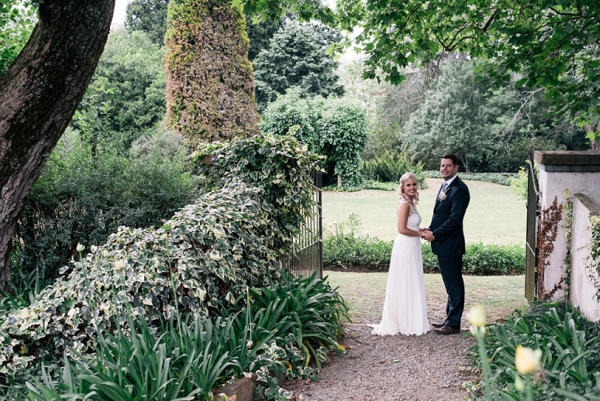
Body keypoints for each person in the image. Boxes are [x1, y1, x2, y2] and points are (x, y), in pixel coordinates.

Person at [371, 172, 429, 336]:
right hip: (405, 246)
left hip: (412, 245)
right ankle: (404, 321)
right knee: (405, 280)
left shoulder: (411, 202)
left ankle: (410, 317)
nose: (412, 187)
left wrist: (420, 229)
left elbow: (410, 225)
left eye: (414, 184)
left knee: (411, 280)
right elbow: (402, 229)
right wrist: (419, 234)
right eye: (408, 185)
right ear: (402, 187)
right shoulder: (404, 204)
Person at [421, 154, 470, 335]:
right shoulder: (446, 185)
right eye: (442, 166)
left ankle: (453, 324)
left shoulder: (460, 189)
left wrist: (435, 234)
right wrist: (430, 228)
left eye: (448, 166)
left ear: (456, 167)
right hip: (444, 243)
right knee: (450, 284)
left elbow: (454, 220)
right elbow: (441, 215)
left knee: (454, 285)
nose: (444, 169)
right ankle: (449, 319)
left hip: (451, 244)